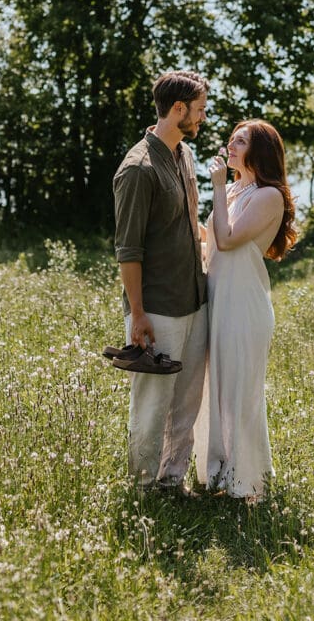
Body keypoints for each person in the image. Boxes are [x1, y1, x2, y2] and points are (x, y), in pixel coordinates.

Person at [113, 70, 209, 492]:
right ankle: (142, 487)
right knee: (152, 403)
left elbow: (189, 224)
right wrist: (137, 314)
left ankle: (173, 480)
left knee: (187, 400)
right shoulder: (138, 169)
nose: (202, 119)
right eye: (200, 111)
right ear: (178, 109)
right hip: (157, 307)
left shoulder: (183, 154)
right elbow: (128, 250)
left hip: (194, 298)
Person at [194, 119, 297, 502]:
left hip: (244, 306)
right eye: (232, 139)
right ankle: (221, 474)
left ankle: (249, 482)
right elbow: (213, 243)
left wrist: (216, 187)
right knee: (218, 389)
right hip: (221, 300)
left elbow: (228, 237)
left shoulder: (269, 195)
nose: (231, 145)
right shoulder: (238, 189)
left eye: (241, 141)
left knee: (240, 393)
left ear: (260, 151)